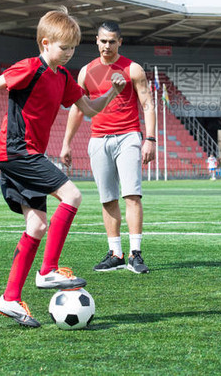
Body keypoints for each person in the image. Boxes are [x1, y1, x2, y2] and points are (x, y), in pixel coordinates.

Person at [0, 8, 126, 328]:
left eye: (74, 48)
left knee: (36, 226)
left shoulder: (62, 78)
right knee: (72, 195)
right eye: (64, 48)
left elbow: (89, 109)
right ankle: (48, 270)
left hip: (26, 154)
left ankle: (9, 298)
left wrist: (114, 91)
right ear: (45, 43)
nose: (69, 53)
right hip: (15, 151)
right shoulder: (29, 68)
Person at [60, 21, 156, 274]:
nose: (107, 45)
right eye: (103, 41)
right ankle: (116, 253)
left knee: (132, 195)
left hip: (128, 137)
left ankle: (135, 254)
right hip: (98, 139)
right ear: (97, 41)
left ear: (120, 42)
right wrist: (66, 143)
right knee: (107, 198)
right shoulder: (85, 72)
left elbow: (147, 104)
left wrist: (151, 138)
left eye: (112, 41)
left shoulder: (132, 69)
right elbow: (78, 109)